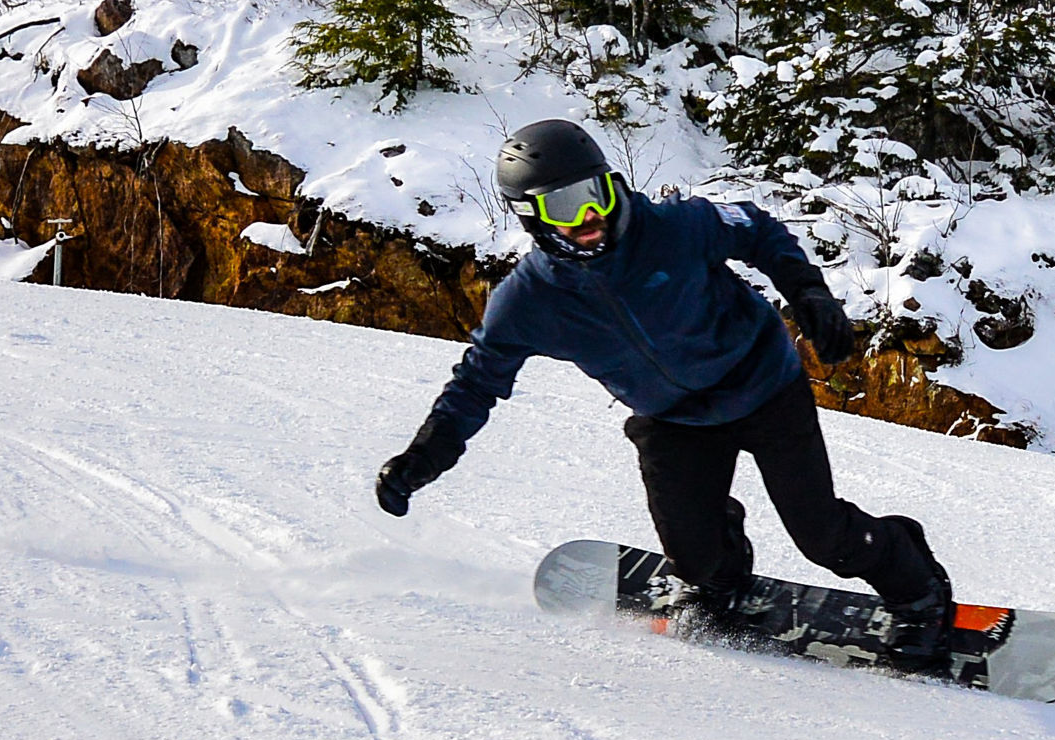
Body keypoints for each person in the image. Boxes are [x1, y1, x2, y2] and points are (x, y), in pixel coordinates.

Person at [373, 119, 955, 665]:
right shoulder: (531, 301)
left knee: (823, 536)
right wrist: (426, 454)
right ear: (532, 218)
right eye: (564, 206)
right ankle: (722, 574)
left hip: (763, 386)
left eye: (594, 193)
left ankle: (917, 586)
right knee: (695, 555)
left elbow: (757, 228)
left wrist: (809, 294)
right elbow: (476, 383)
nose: (589, 216)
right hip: (673, 418)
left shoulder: (674, 227)